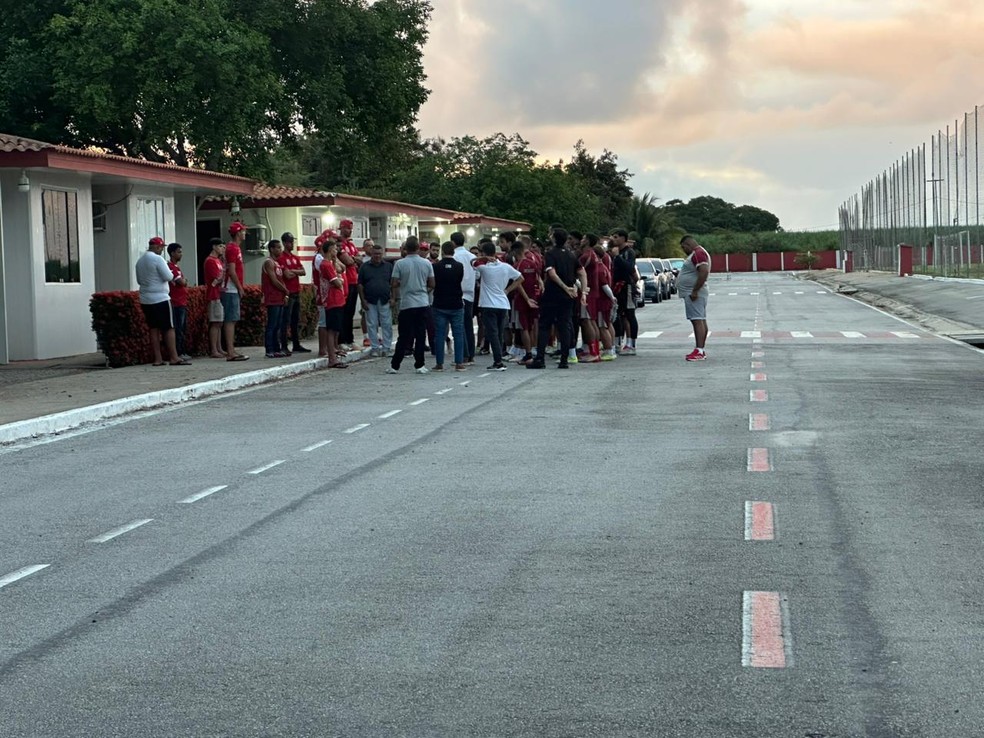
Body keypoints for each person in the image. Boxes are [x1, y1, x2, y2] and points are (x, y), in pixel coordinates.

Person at [527, 228, 584, 370]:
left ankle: (540, 358)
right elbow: (581, 272)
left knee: (545, 325)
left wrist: (564, 287)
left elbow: (551, 273)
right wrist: (583, 290)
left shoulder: (551, 254)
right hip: (568, 296)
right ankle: (565, 359)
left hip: (553, 293)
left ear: (553, 238)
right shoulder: (571, 255)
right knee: (564, 326)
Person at [135, 236, 188, 366]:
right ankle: (174, 357)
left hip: (145, 298)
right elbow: (169, 276)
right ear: (157, 247)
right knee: (169, 328)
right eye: (161, 248)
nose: (162, 251)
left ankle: (158, 359)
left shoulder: (140, 261)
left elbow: (139, 281)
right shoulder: (158, 259)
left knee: (153, 328)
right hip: (161, 298)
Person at [387, 236, 434, 374]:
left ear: (405, 249)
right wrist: (423, 290)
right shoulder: (426, 263)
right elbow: (432, 284)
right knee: (420, 335)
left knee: (404, 335)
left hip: (407, 303)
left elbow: (394, 283)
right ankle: (420, 364)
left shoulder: (400, 264)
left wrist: (403, 285)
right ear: (418, 248)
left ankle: (395, 365)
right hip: (422, 302)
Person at [474, 241, 524, 371]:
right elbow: (520, 278)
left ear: (484, 254)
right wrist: (507, 290)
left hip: (488, 304)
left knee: (492, 333)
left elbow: (472, 262)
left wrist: (482, 258)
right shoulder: (506, 267)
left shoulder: (484, 268)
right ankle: (500, 357)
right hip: (503, 304)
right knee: (500, 333)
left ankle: (498, 361)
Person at [431, 241, 467, 371]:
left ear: (442, 251)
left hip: (440, 303)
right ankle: (459, 363)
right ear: (453, 251)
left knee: (440, 334)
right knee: (458, 334)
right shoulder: (459, 266)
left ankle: (439, 363)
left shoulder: (436, 266)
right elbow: (459, 280)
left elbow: (433, 283)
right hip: (456, 303)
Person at [679, 234, 712, 361]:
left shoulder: (698, 253)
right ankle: (700, 349)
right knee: (700, 320)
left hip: (695, 293)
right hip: (695, 292)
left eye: (683, 248)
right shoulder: (699, 252)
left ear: (687, 244)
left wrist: (695, 290)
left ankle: (699, 350)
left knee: (697, 320)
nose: (684, 251)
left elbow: (703, 271)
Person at [358, 243, 394, 356]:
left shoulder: (388, 266)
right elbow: (360, 285)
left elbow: (393, 283)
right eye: (375, 254)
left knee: (386, 324)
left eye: (379, 254)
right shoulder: (364, 267)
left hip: (385, 299)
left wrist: (393, 298)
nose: (377, 256)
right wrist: (362, 300)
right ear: (371, 254)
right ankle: (374, 348)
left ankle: (387, 347)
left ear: (382, 254)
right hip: (370, 300)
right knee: (371, 324)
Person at [277, 231, 310, 353]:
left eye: (292, 241)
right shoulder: (281, 258)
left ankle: (296, 344)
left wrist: (294, 271)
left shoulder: (295, 257)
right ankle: (284, 345)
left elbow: (303, 271)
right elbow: (287, 274)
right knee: (285, 320)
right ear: (285, 243)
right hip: (288, 293)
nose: (292, 244)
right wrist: (296, 271)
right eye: (290, 242)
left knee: (295, 320)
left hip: (296, 291)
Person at [319, 239, 349, 368]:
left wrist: (336, 261)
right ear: (330, 250)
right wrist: (340, 280)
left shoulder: (331, 263)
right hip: (332, 300)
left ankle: (334, 354)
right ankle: (332, 358)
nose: (336, 251)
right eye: (335, 249)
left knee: (336, 329)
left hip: (338, 299)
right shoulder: (325, 265)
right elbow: (337, 282)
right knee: (331, 330)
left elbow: (342, 270)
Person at [610, 228, 639, 355]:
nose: (613, 239)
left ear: (623, 238)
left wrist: (617, 257)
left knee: (629, 314)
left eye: (616, 237)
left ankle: (631, 344)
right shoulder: (613, 252)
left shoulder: (629, 252)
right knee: (616, 315)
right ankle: (617, 342)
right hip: (615, 286)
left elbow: (629, 267)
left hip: (626, 286)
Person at [223, 222, 249, 361]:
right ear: (238, 233)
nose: (245, 234)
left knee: (232, 319)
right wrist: (239, 287)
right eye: (243, 231)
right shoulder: (232, 248)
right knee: (230, 319)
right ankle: (230, 351)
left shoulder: (235, 248)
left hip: (232, 287)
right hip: (230, 288)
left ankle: (231, 349)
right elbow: (231, 271)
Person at [451, 231, 477, 364]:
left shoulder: (454, 256)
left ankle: (464, 354)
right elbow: (477, 274)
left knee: (459, 326)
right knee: (469, 325)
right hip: (470, 293)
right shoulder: (472, 256)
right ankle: (471, 354)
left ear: (452, 243)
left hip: (458, 293)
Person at [261, 239, 290, 358]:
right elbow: (274, 280)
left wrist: (284, 294)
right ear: (272, 249)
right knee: (272, 324)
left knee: (278, 324)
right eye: (278, 247)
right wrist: (285, 290)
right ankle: (269, 349)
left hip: (279, 297)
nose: (280, 250)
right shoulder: (269, 262)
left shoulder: (277, 263)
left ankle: (277, 348)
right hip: (272, 297)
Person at [337, 218, 361, 350]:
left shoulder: (351, 245)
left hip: (354, 280)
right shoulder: (340, 245)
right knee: (343, 312)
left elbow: (359, 259)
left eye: (351, 228)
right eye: (347, 228)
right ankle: (341, 340)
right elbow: (349, 261)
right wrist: (353, 259)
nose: (350, 231)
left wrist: (353, 259)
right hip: (345, 281)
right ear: (341, 228)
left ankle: (349, 339)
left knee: (350, 313)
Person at [166, 242, 190, 360]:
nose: (181, 254)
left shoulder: (177, 267)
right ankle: (179, 352)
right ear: (172, 253)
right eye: (179, 252)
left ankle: (182, 351)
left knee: (182, 328)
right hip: (176, 303)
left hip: (182, 301)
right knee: (178, 329)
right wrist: (184, 281)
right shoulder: (170, 267)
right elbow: (181, 282)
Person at [203, 238, 226, 358]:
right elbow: (215, 279)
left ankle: (219, 347)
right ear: (214, 247)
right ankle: (214, 349)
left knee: (219, 322)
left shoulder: (218, 260)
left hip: (219, 293)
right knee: (215, 322)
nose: (222, 249)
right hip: (213, 294)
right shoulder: (210, 261)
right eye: (220, 246)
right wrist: (220, 279)